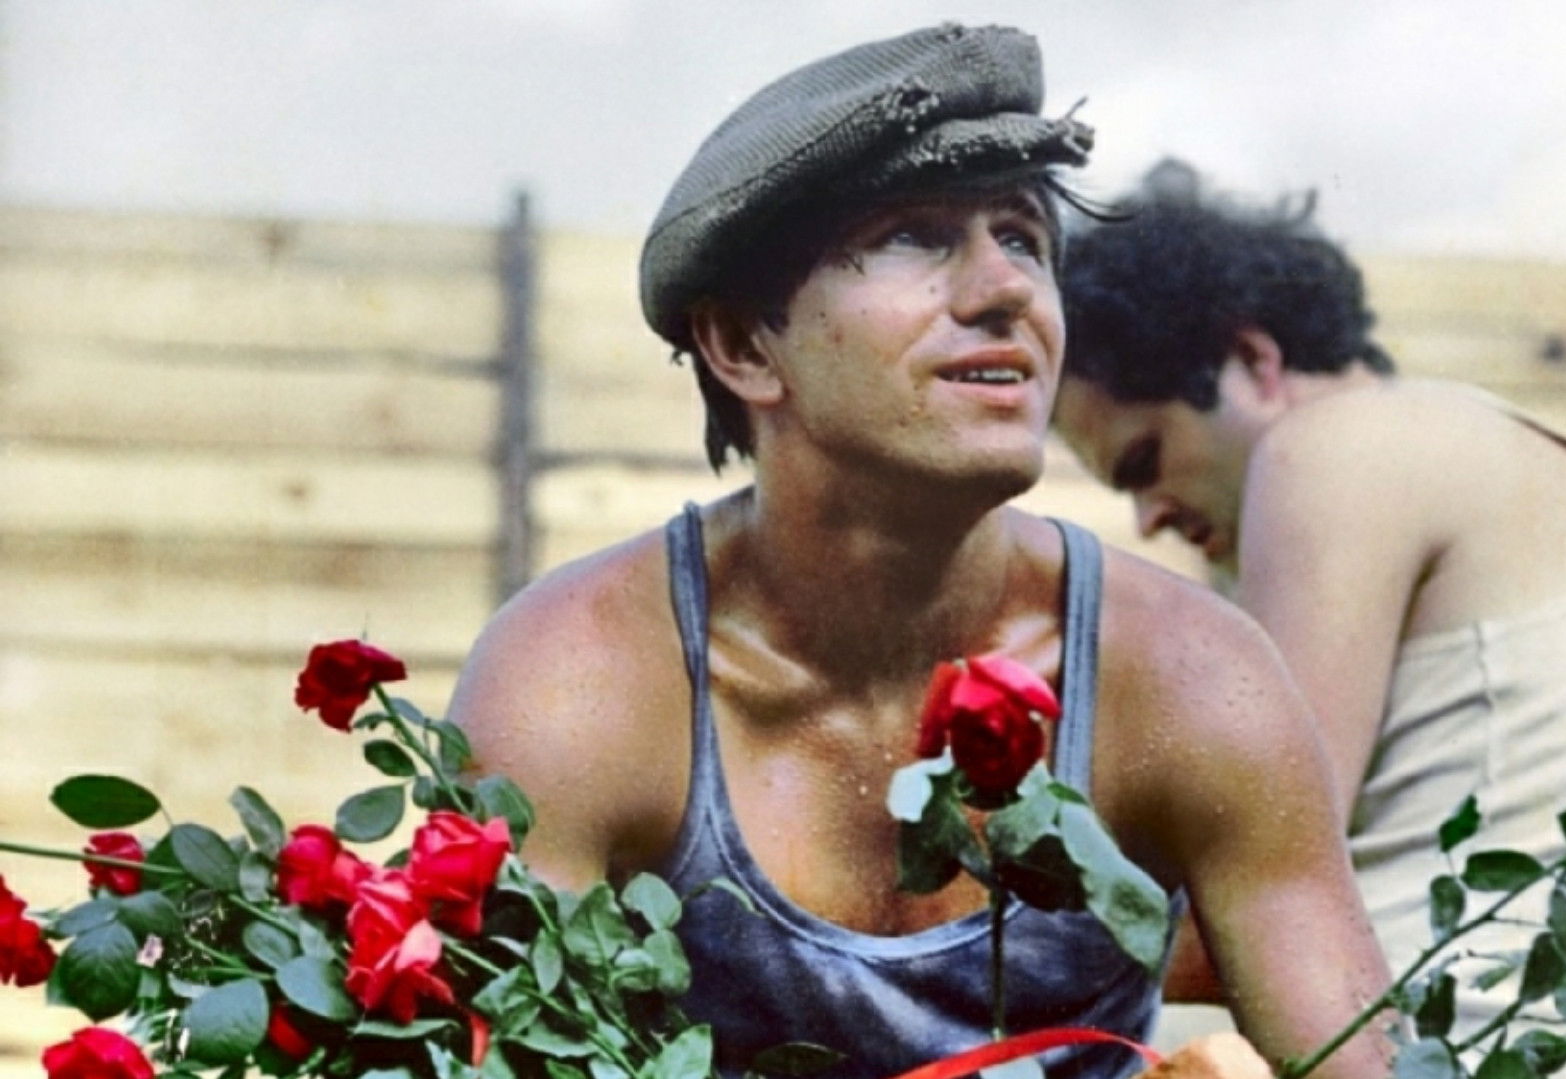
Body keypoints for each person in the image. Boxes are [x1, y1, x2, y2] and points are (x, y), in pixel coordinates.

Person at [450, 31, 1392, 1079]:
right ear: (746, 344)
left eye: (1023, 237)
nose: (1005, 288)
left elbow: (1366, 1068)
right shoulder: (580, 684)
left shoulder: (1191, 674)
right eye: (914, 236)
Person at [1052, 160, 1566, 1037]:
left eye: (1146, 460)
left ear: (1253, 359)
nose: (1148, 518)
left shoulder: (1332, 450)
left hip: (1462, 1033)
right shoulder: (1459, 435)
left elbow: (1245, 890)